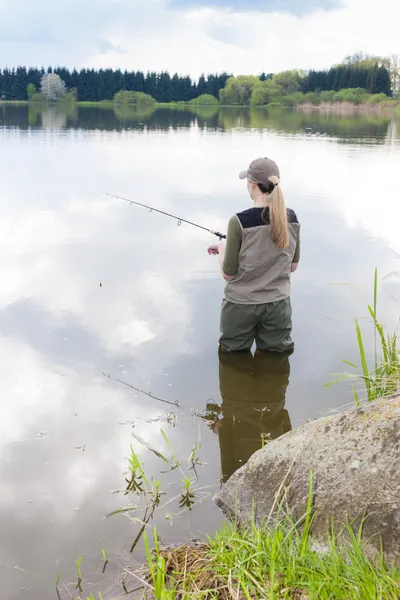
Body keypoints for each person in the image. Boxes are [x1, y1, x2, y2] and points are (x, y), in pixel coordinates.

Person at [208, 157, 300, 353]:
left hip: (241, 306)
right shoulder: (292, 218)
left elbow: (228, 274)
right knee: (277, 358)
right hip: (278, 305)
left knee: (233, 360)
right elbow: (292, 266)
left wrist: (222, 248)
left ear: (252, 185)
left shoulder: (239, 221)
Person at [203, 349, 292, 483]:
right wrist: (216, 425)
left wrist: (214, 424)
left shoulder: (282, 478)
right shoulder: (234, 482)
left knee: (266, 349)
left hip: (271, 401)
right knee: (241, 348)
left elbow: (287, 425)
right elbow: (225, 435)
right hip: (239, 401)